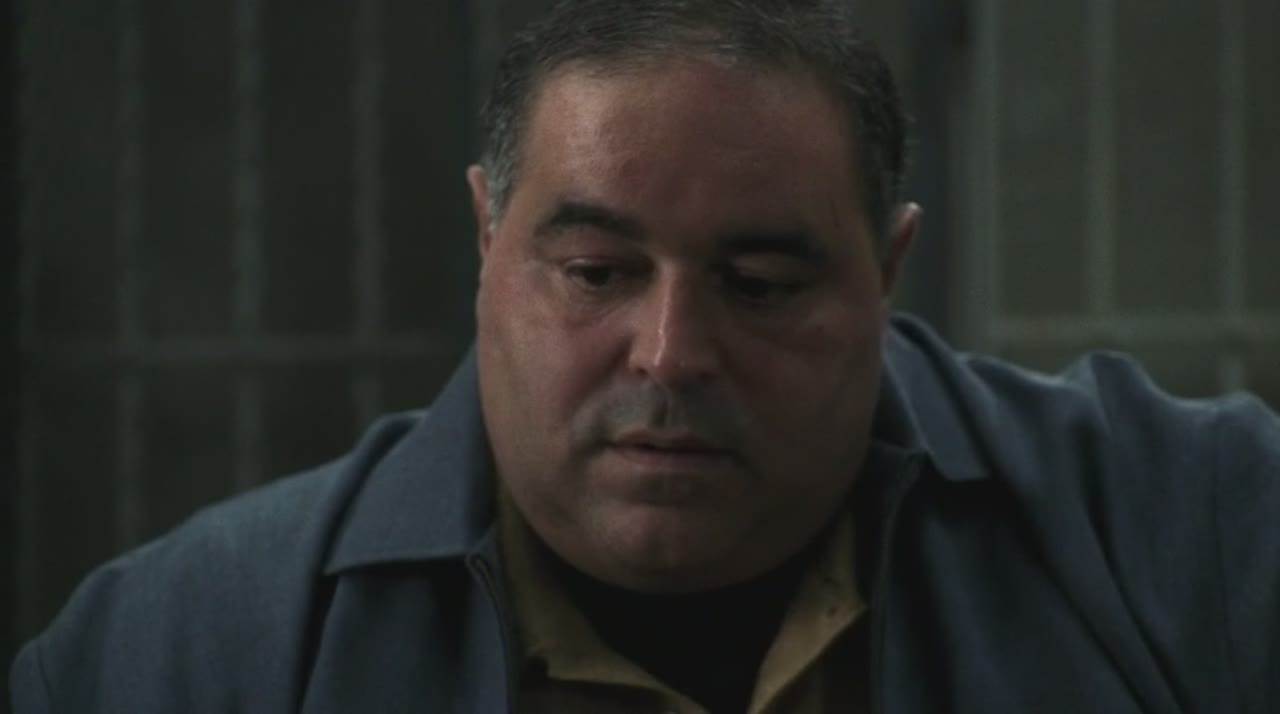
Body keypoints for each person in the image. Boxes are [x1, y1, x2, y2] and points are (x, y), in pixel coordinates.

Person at [11, 0, 1280, 711]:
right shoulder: (177, 655)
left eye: (760, 285)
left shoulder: (1189, 541)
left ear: (886, 268)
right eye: (595, 273)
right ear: (486, 240)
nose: (670, 355)